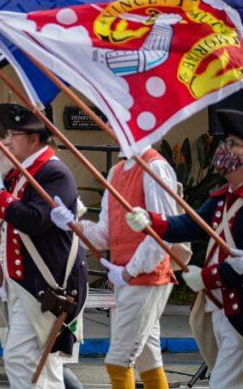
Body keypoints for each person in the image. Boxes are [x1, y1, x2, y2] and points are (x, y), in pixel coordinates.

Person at [125, 109, 243, 388]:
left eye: (233, 143)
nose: (224, 150)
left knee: (224, 383)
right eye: (224, 142)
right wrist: (150, 221)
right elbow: (189, 225)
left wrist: (204, 277)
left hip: (236, 305)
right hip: (222, 306)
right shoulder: (222, 198)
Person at [51, 143, 184, 389]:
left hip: (147, 277)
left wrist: (127, 271)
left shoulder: (156, 168)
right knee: (148, 359)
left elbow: (161, 234)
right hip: (128, 278)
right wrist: (72, 225)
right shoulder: (117, 171)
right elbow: (105, 234)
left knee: (118, 361)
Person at [0, 103, 88, 388]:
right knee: (25, 362)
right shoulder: (21, 173)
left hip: (45, 287)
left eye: (14, 133)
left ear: (35, 138)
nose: (6, 140)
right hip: (20, 287)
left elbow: (37, 220)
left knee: (29, 362)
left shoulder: (53, 173)